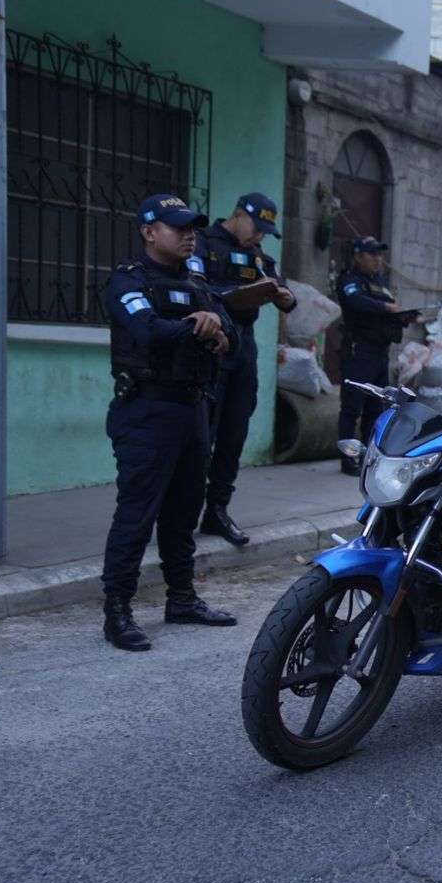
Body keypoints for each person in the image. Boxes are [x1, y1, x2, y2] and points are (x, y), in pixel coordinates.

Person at [100, 194, 239, 651]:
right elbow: (147, 331)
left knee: (183, 512)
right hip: (146, 410)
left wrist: (217, 327)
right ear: (148, 232)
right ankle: (117, 612)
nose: (189, 235)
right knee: (137, 514)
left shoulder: (198, 282)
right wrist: (201, 327)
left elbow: (232, 335)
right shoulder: (128, 280)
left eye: (192, 228)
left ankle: (181, 598)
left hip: (192, 409)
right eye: (178, 227)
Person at [194, 193, 296, 546]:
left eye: (266, 232)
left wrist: (284, 296)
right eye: (257, 227)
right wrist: (237, 292)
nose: (259, 236)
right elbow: (196, 288)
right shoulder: (204, 243)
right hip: (212, 345)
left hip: (244, 347)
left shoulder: (258, 256)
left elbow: (283, 291)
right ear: (238, 215)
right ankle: (180, 514)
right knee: (201, 434)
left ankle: (217, 510)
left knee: (234, 432)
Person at [336, 237, 418, 473]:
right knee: (352, 406)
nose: (378, 259)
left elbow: (388, 311)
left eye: (379, 255)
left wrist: (403, 316)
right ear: (358, 256)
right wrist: (386, 308)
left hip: (380, 351)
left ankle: (368, 456)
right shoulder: (350, 280)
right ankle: (347, 459)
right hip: (359, 350)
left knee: (376, 407)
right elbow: (355, 302)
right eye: (372, 255)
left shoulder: (380, 283)